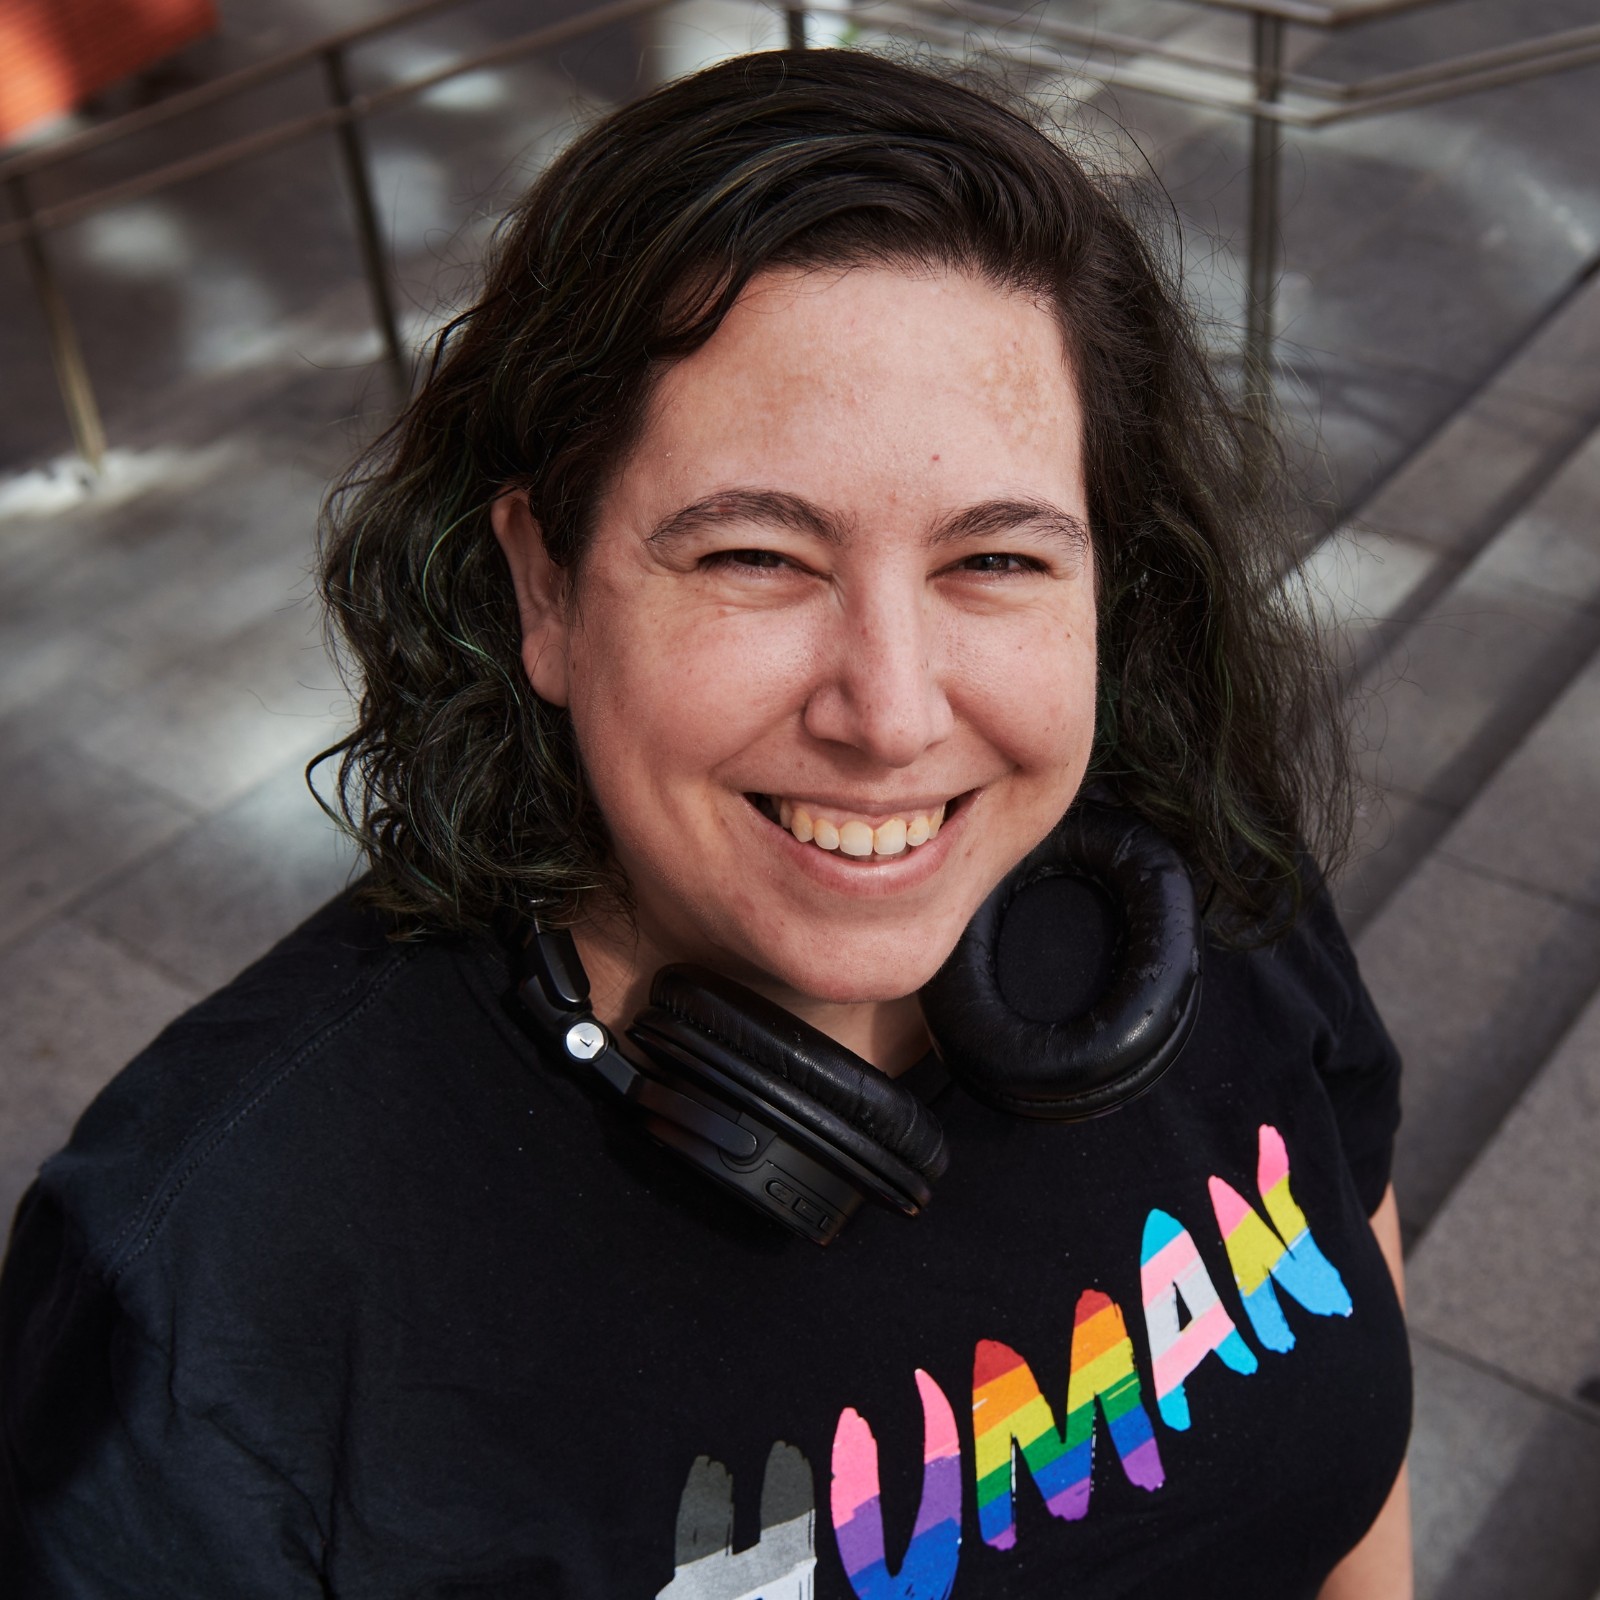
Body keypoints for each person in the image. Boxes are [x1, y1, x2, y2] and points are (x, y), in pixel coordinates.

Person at [0, 47, 1412, 1599]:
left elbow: (1352, 1450)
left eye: (997, 561)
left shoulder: (1197, 894)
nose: (891, 713)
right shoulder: (204, 1288)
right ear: (546, 587)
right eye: (756, 556)